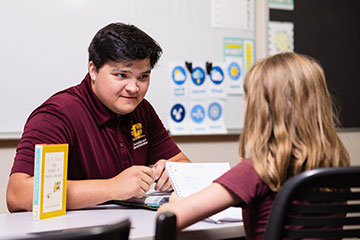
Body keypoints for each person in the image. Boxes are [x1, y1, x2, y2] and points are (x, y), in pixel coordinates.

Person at [157, 52, 350, 239]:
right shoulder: (336, 167)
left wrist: (174, 201)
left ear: (260, 111)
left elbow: (169, 218)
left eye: (247, 99)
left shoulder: (257, 170)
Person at [7, 22, 190, 212]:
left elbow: (183, 163)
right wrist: (111, 188)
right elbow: (18, 195)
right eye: (121, 75)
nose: (134, 88)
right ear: (93, 70)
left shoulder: (142, 110)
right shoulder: (57, 115)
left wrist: (174, 173)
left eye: (143, 77)